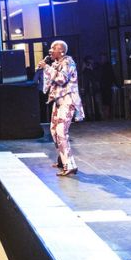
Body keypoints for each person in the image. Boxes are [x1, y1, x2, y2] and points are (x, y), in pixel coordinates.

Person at [39, 40, 84, 176]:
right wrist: (45, 69)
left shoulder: (68, 62)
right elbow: (47, 86)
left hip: (68, 101)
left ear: (62, 51)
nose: (50, 50)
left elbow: (61, 79)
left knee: (61, 132)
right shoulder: (56, 64)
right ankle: (62, 159)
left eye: (54, 48)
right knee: (53, 131)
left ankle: (70, 165)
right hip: (58, 101)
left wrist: (47, 68)